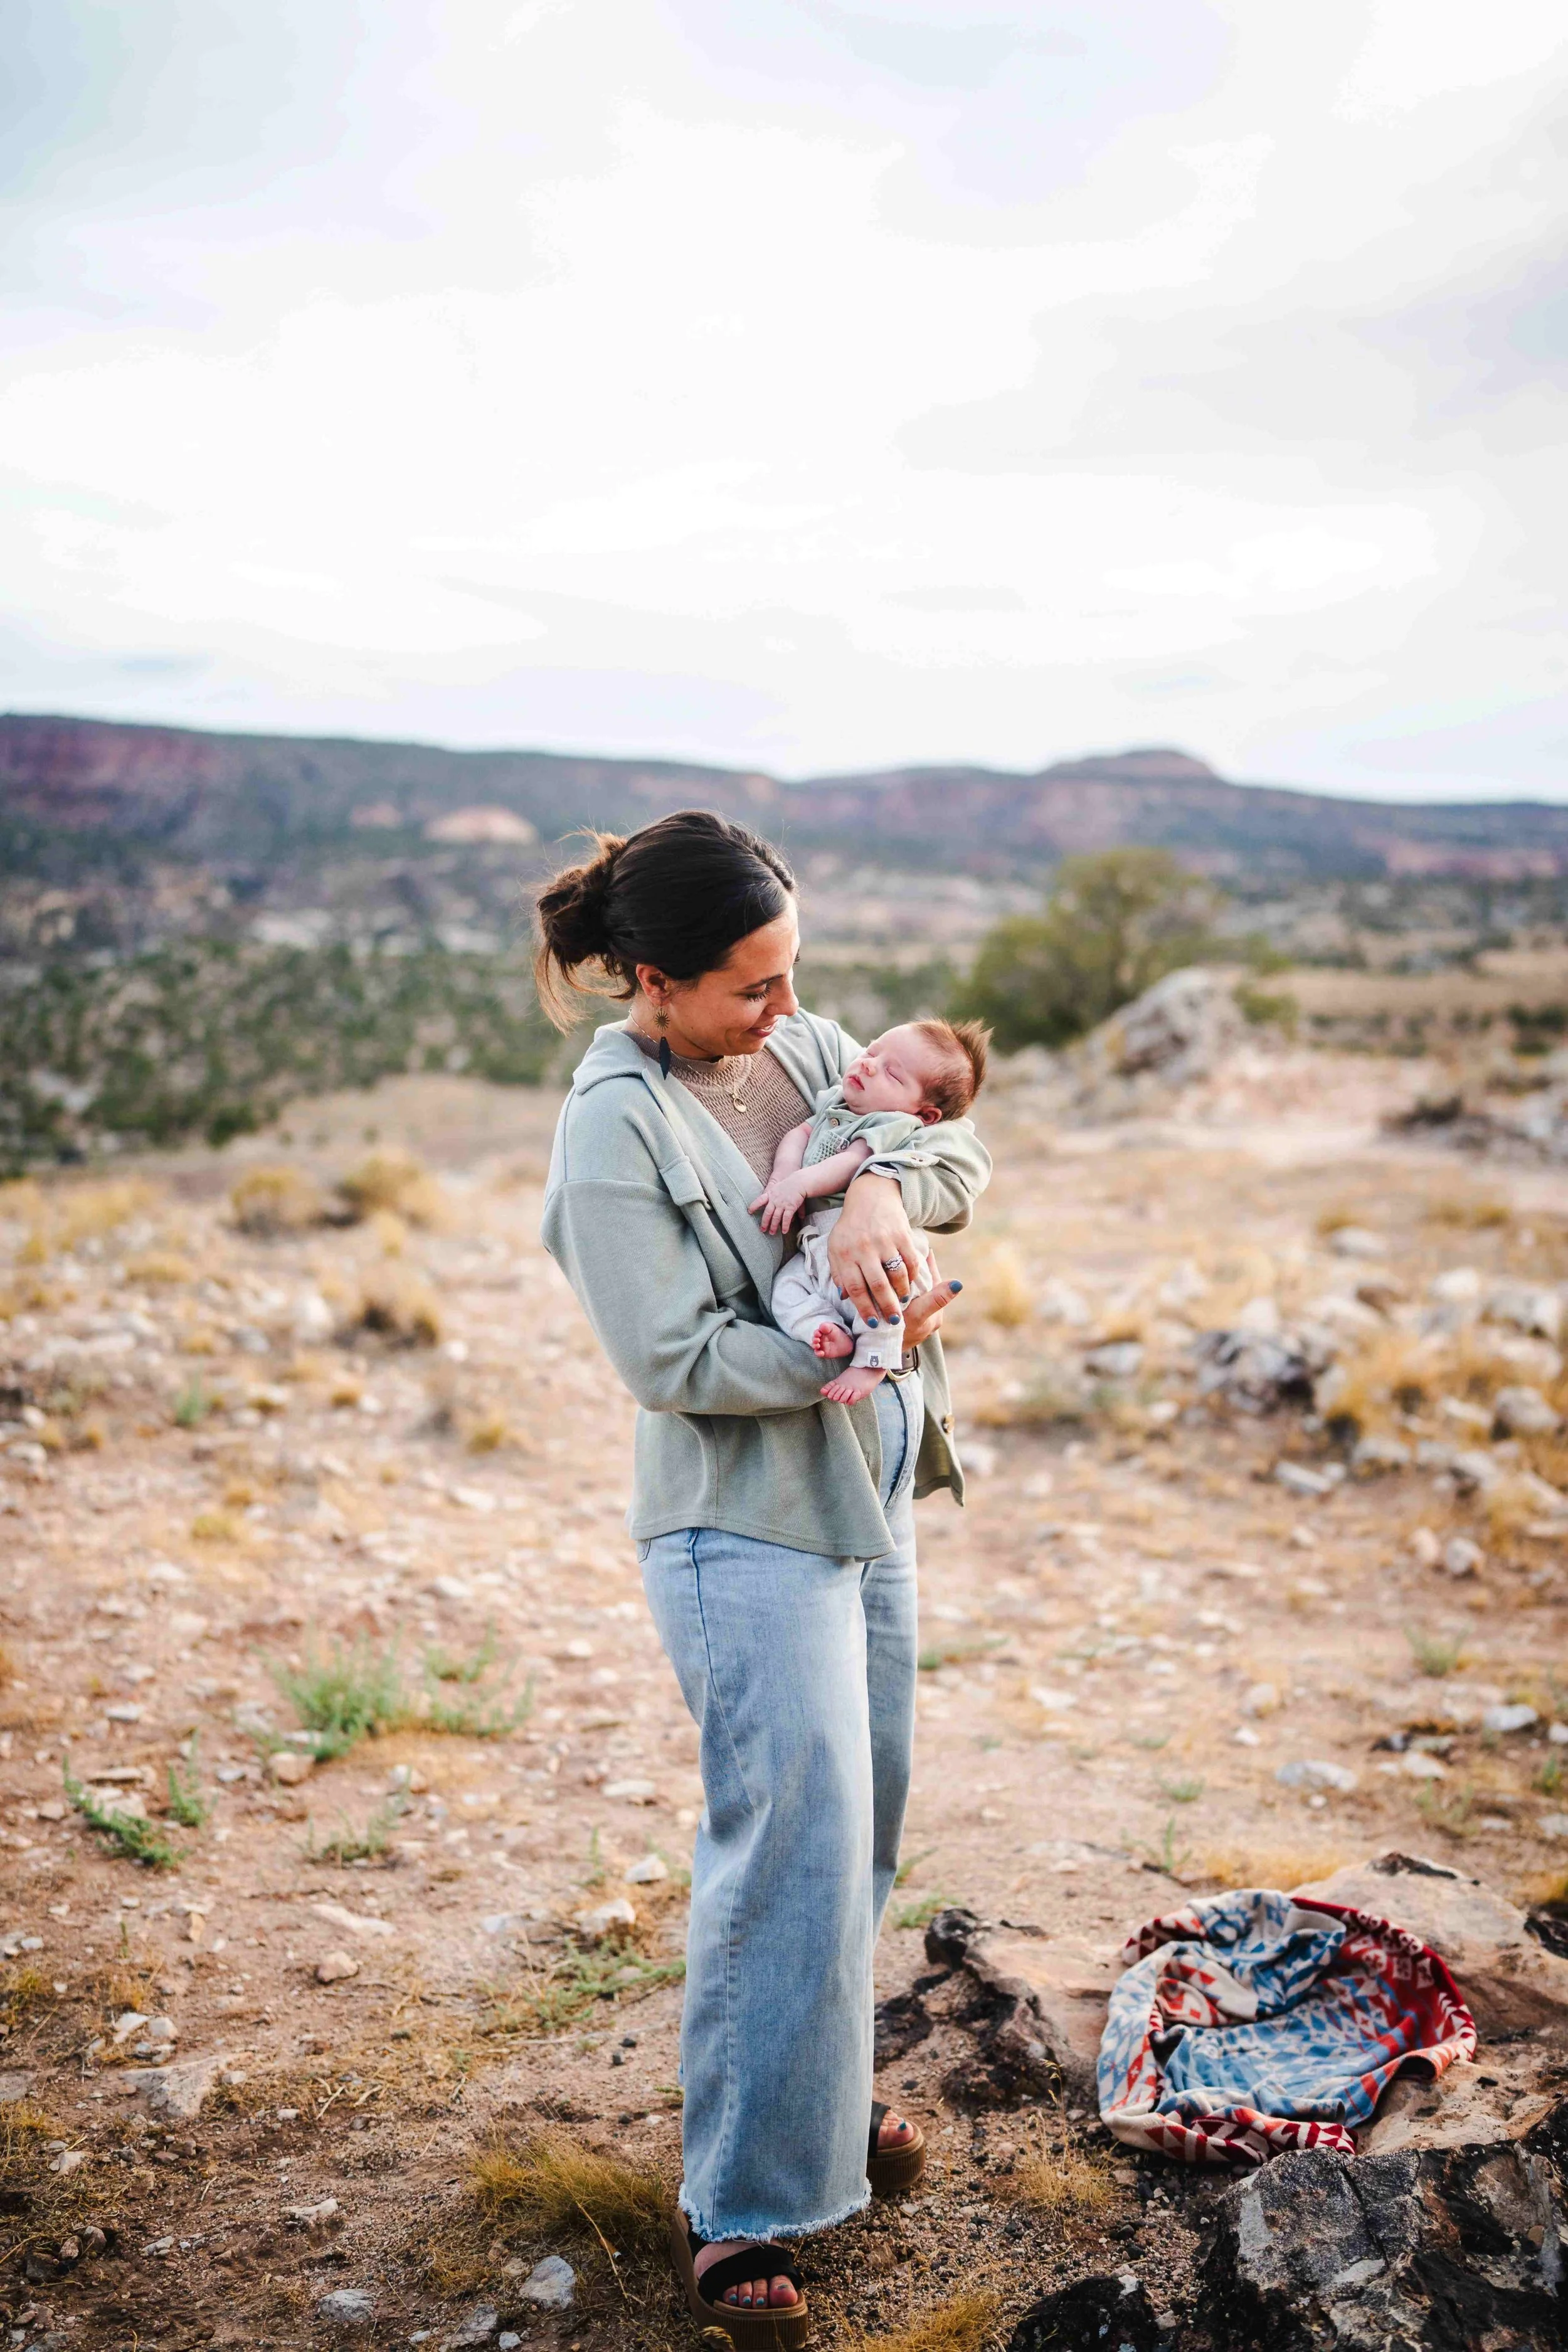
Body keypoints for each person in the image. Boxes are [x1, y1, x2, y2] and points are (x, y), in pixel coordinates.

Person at [536, 809, 991, 2348]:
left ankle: (822, 2092)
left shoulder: (805, 1054)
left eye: (793, 973)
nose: (788, 1011)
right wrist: (856, 1342)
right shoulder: (611, 1130)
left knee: (865, 1813)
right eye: (751, 987)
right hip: (736, 1521)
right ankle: (740, 2200)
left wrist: (880, 1197)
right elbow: (669, 1355)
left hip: (862, 1493)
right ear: (651, 981)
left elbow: (952, 1140)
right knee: (783, 1833)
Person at [755, 1018, 988, 1407]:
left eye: (892, 1074)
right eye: (871, 1050)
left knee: (883, 1299)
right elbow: (800, 1134)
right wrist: (783, 1174)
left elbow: (851, 1162)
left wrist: (801, 1185)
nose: (867, 1064)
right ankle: (825, 1328)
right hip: (817, 1246)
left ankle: (873, 1362)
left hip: (877, 1247)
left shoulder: (890, 1123)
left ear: (925, 1115)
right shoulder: (836, 1104)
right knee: (786, 1290)